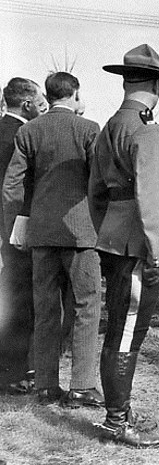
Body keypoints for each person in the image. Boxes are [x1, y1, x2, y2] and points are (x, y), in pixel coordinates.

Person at [88, 43, 159, 448]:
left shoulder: (109, 125)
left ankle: (120, 411)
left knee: (120, 330)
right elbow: (151, 195)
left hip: (114, 238)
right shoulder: (147, 129)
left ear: (126, 82)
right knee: (126, 334)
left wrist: (107, 232)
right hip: (138, 245)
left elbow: (95, 192)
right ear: (156, 87)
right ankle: (115, 420)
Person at [3, 72, 103, 407]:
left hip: (41, 234)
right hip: (81, 233)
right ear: (75, 93)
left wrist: (13, 230)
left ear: (48, 94)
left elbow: (12, 187)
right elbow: (99, 183)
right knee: (86, 307)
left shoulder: (28, 130)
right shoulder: (89, 129)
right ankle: (82, 384)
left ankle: (46, 383)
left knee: (46, 309)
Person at [0, 77, 47, 395]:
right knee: (18, 299)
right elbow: (14, 188)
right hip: (13, 226)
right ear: (27, 104)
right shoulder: (21, 135)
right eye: (39, 102)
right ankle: (13, 371)